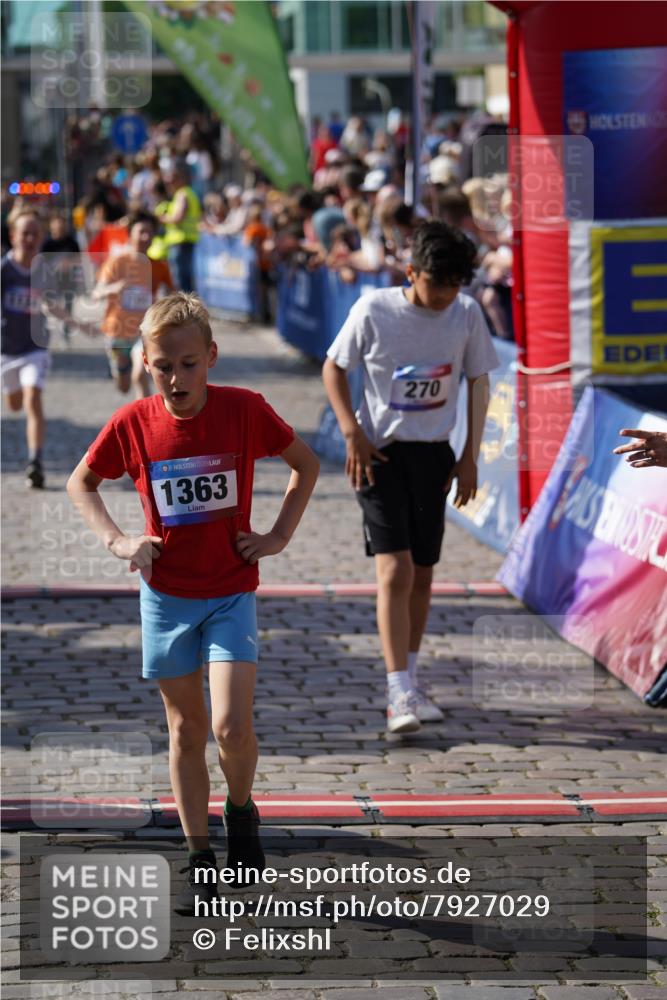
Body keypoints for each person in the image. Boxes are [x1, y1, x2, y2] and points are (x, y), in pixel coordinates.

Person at [66, 292, 319, 915]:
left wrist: (277, 537)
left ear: (211, 356)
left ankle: (241, 810)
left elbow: (305, 465)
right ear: (145, 364)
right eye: (163, 367)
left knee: (232, 727)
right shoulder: (133, 422)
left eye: (187, 364)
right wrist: (119, 541)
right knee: (186, 731)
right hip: (166, 597)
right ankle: (199, 857)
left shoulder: (244, 409)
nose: (176, 379)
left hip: (231, 592)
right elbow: (82, 482)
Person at [322, 221, 498, 733]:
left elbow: (478, 381)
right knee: (395, 571)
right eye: (436, 284)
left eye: (454, 285)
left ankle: (412, 679)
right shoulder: (374, 310)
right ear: (411, 272)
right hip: (378, 455)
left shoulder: (466, 313)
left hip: (434, 455)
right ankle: (397, 689)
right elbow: (335, 367)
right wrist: (352, 432)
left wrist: (469, 456)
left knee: (422, 573)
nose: (444, 295)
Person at [94, 211, 175, 398]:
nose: (145, 237)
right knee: (123, 386)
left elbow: (173, 294)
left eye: (150, 232)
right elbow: (97, 292)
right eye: (141, 232)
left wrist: (166, 305)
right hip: (117, 331)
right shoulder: (117, 262)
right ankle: (120, 370)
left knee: (140, 374)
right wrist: (115, 288)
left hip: (144, 330)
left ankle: (145, 416)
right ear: (130, 235)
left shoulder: (159, 266)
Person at [1, 211, 52, 488]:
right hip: (6, 351)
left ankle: (35, 461)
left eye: (35, 233)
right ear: (13, 237)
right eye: (25, 233)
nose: (30, 238)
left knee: (33, 398)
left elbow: (55, 301)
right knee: (14, 403)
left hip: (35, 348)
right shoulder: (4, 270)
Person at [155, 159, 201, 292]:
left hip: (180, 242)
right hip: (186, 241)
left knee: (180, 280)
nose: (169, 183)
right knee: (185, 279)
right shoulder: (189, 193)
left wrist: (163, 218)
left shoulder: (182, 194)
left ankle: (184, 304)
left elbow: (178, 217)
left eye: (173, 179)